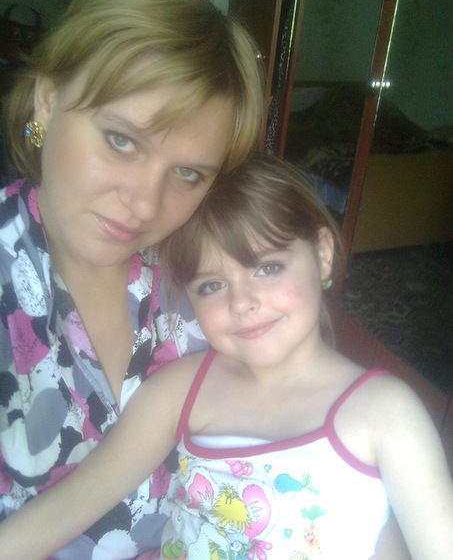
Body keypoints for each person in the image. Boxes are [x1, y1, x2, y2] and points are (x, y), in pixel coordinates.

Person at [1, 155, 451, 560]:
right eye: (212, 285)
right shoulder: (181, 390)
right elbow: (65, 509)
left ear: (323, 255)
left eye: (268, 267)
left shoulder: (386, 412)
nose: (242, 302)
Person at [0, 0, 264, 559]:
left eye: (188, 173)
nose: (145, 205)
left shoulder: (205, 270)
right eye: (122, 140)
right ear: (48, 99)